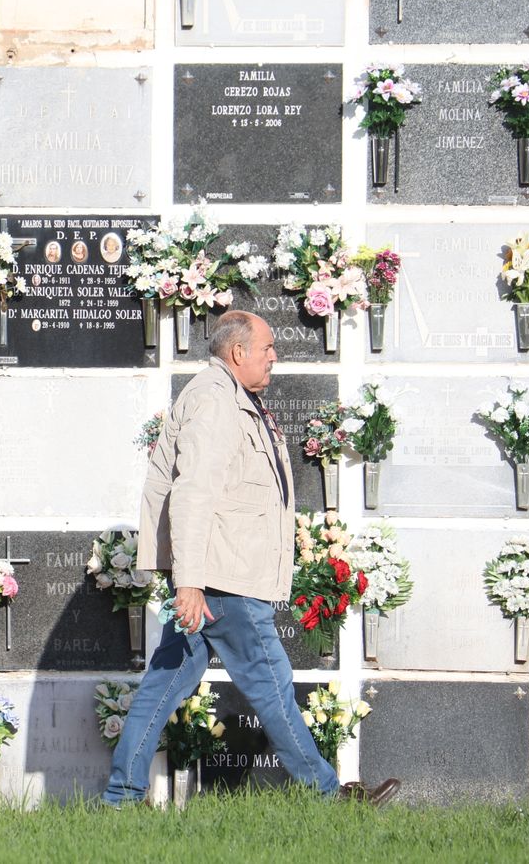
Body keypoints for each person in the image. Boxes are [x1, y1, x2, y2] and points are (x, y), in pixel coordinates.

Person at [102, 311, 401, 807]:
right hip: (224, 580)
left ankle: (120, 797)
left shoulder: (231, 396)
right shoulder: (216, 401)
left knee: (163, 686)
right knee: (272, 687)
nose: (274, 356)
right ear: (238, 352)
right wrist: (190, 583)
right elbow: (193, 493)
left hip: (216, 572)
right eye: (267, 347)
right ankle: (328, 796)